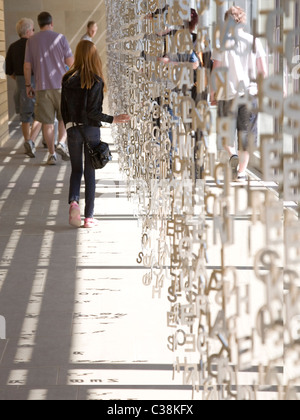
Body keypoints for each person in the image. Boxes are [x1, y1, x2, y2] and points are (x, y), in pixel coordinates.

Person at [61, 40, 130, 229]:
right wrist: (113, 119)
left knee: (76, 170)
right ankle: (88, 218)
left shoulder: (67, 78)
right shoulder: (96, 81)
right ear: (93, 56)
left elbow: (63, 110)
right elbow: (93, 112)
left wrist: (69, 126)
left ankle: (74, 202)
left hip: (73, 129)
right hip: (91, 130)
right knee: (89, 172)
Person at [211, 6, 267, 181]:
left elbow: (216, 71)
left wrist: (212, 93)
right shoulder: (254, 42)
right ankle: (241, 173)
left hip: (227, 94)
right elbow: (263, 71)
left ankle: (232, 154)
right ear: (243, 21)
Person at [24, 12, 74, 165]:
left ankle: (52, 154)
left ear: (38, 25)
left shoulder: (31, 41)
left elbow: (27, 66)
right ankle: (61, 143)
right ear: (51, 23)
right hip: (61, 87)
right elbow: (71, 62)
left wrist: (28, 85)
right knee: (63, 118)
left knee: (47, 123)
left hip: (42, 88)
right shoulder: (60, 38)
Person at [5, 18, 42, 158]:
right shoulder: (34, 46)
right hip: (35, 85)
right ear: (28, 31)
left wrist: (20, 80)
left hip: (20, 87)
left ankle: (27, 140)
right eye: (33, 29)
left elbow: (8, 70)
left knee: (24, 117)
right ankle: (33, 141)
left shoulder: (13, 47)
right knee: (39, 114)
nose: (34, 32)